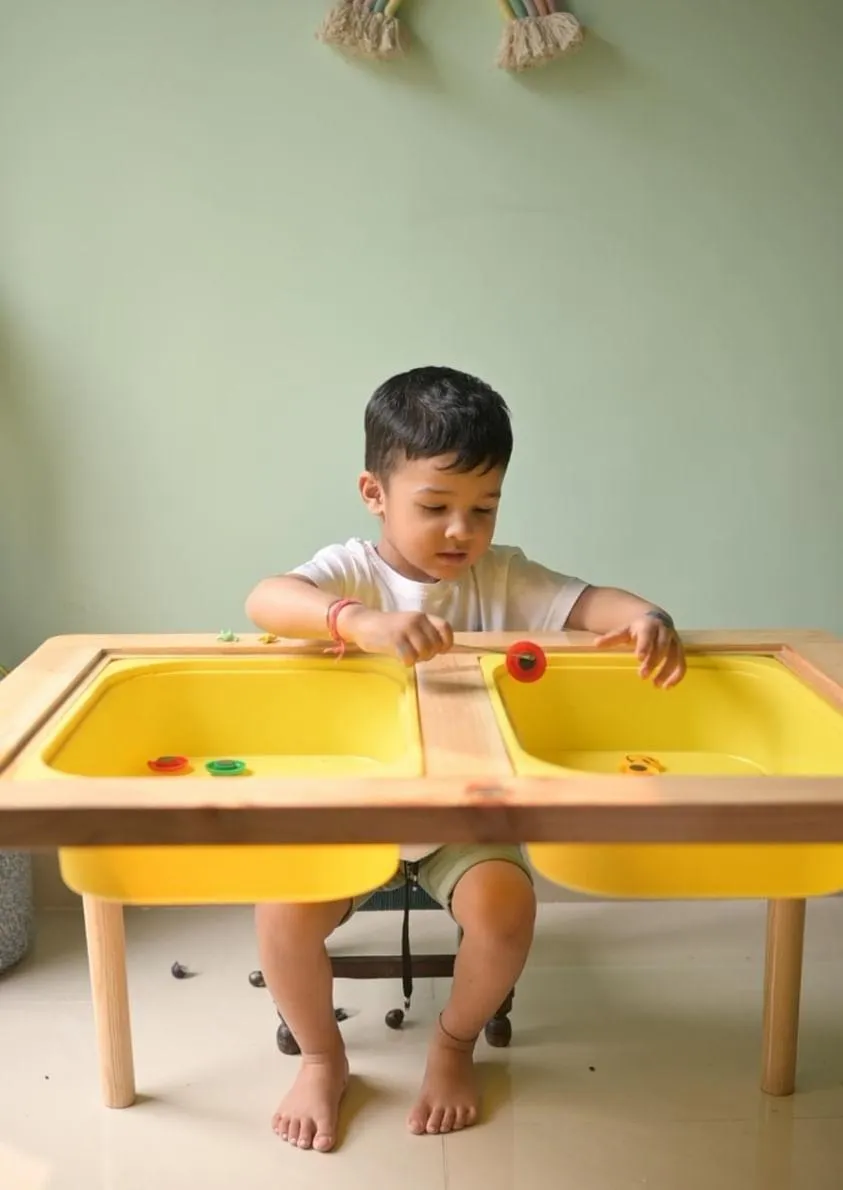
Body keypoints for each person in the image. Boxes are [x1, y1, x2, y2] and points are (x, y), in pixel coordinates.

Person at [245, 365, 686, 1153]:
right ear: (374, 494)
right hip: (359, 816)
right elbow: (267, 601)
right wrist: (356, 622)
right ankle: (321, 1056)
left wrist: (648, 615)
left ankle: (453, 1045)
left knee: (507, 911)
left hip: (464, 819)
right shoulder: (351, 569)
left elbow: (591, 606)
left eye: (482, 509)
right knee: (279, 913)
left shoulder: (502, 575)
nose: (461, 531)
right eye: (435, 507)